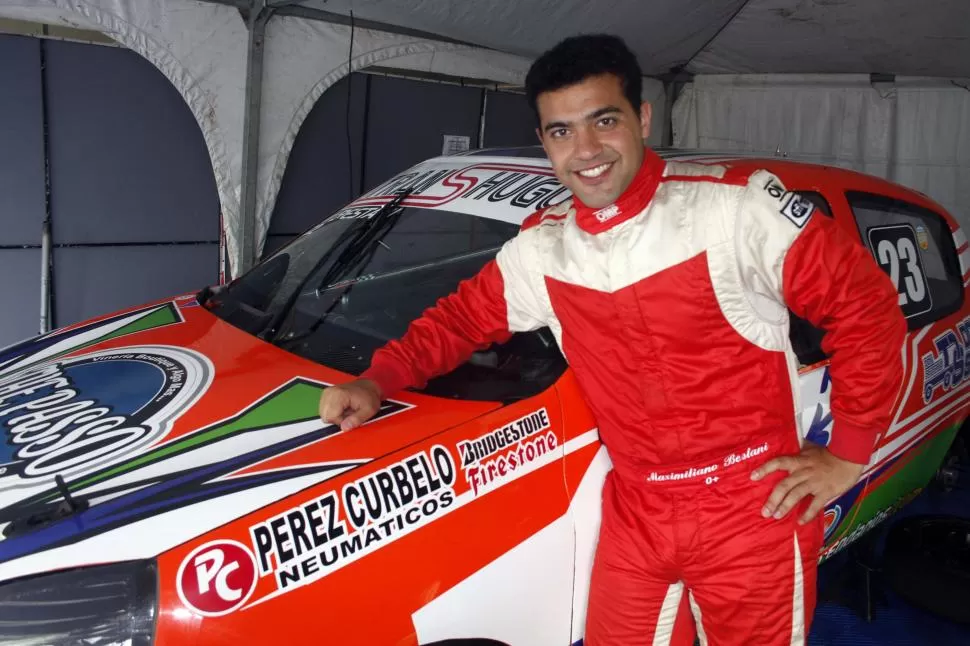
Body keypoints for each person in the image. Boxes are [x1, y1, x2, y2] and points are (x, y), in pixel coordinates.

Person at [318, 34, 906, 646]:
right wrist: (377, 379)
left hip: (752, 506)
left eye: (604, 120)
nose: (586, 150)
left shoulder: (734, 209)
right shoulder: (542, 250)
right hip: (637, 508)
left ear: (642, 118)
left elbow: (865, 307)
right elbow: (459, 322)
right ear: (545, 140)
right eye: (562, 131)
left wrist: (848, 454)